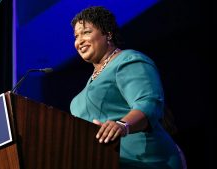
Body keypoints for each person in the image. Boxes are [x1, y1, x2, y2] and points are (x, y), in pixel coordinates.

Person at [70, 6, 185, 169]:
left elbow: (148, 103)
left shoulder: (127, 60)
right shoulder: (91, 83)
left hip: (146, 160)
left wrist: (122, 125)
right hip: (105, 161)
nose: (79, 41)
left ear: (107, 33)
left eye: (86, 32)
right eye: (76, 36)